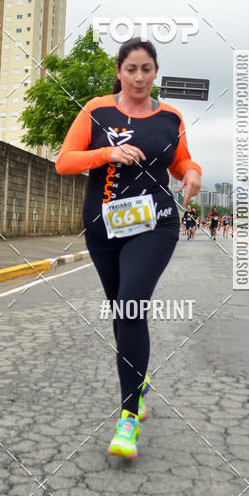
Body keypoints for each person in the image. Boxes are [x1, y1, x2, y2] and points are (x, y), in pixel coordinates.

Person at [55, 38, 202, 459]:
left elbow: (181, 161)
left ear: (156, 73)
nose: (139, 77)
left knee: (132, 304)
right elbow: (64, 161)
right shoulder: (96, 110)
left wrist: (193, 172)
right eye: (131, 69)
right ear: (119, 72)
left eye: (147, 69)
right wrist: (106, 153)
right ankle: (138, 382)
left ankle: (128, 415)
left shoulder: (171, 116)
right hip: (103, 225)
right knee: (121, 312)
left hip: (154, 222)